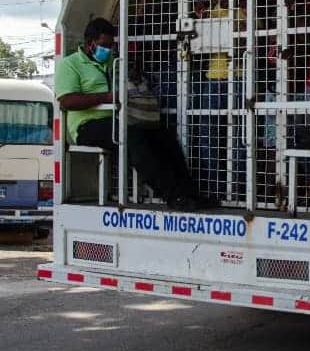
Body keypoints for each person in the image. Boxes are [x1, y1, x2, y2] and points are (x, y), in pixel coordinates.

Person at [55, 17, 201, 209]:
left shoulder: (112, 64)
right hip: (86, 126)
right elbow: (67, 101)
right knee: (132, 137)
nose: (107, 50)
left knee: (164, 136)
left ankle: (190, 192)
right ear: (90, 44)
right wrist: (106, 97)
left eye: (111, 45)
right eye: (104, 45)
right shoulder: (70, 64)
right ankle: (172, 195)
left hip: (118, 120)